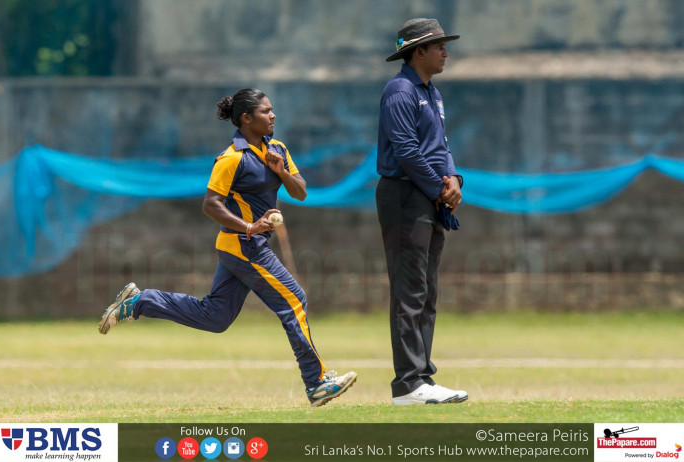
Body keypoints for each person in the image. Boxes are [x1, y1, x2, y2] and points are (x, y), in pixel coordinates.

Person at [98, 88, 357, 407]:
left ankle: (139, 301)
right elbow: (211, 205)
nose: (273, 115)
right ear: (247, 119)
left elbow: (301, 192)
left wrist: (281, 171)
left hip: (245, 246)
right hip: (244, 245)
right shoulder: (231, 159)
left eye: (272, 110)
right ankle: (316, 382)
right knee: (294, 300)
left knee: (216, 317)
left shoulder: (277, 149)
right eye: (265, 111)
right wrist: (249, 226)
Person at [376, 18, 468, 405]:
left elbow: (438, 145)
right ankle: (407, 384)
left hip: (427, 194)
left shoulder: (432, 92)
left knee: (426, 291)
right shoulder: (400, 91)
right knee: (410, 291)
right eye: (438, 46)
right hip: (404, 196)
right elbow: (406, 150)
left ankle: (422, 378)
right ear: (419, 52)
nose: (445, 52)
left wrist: (453, 178)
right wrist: (438, 186)